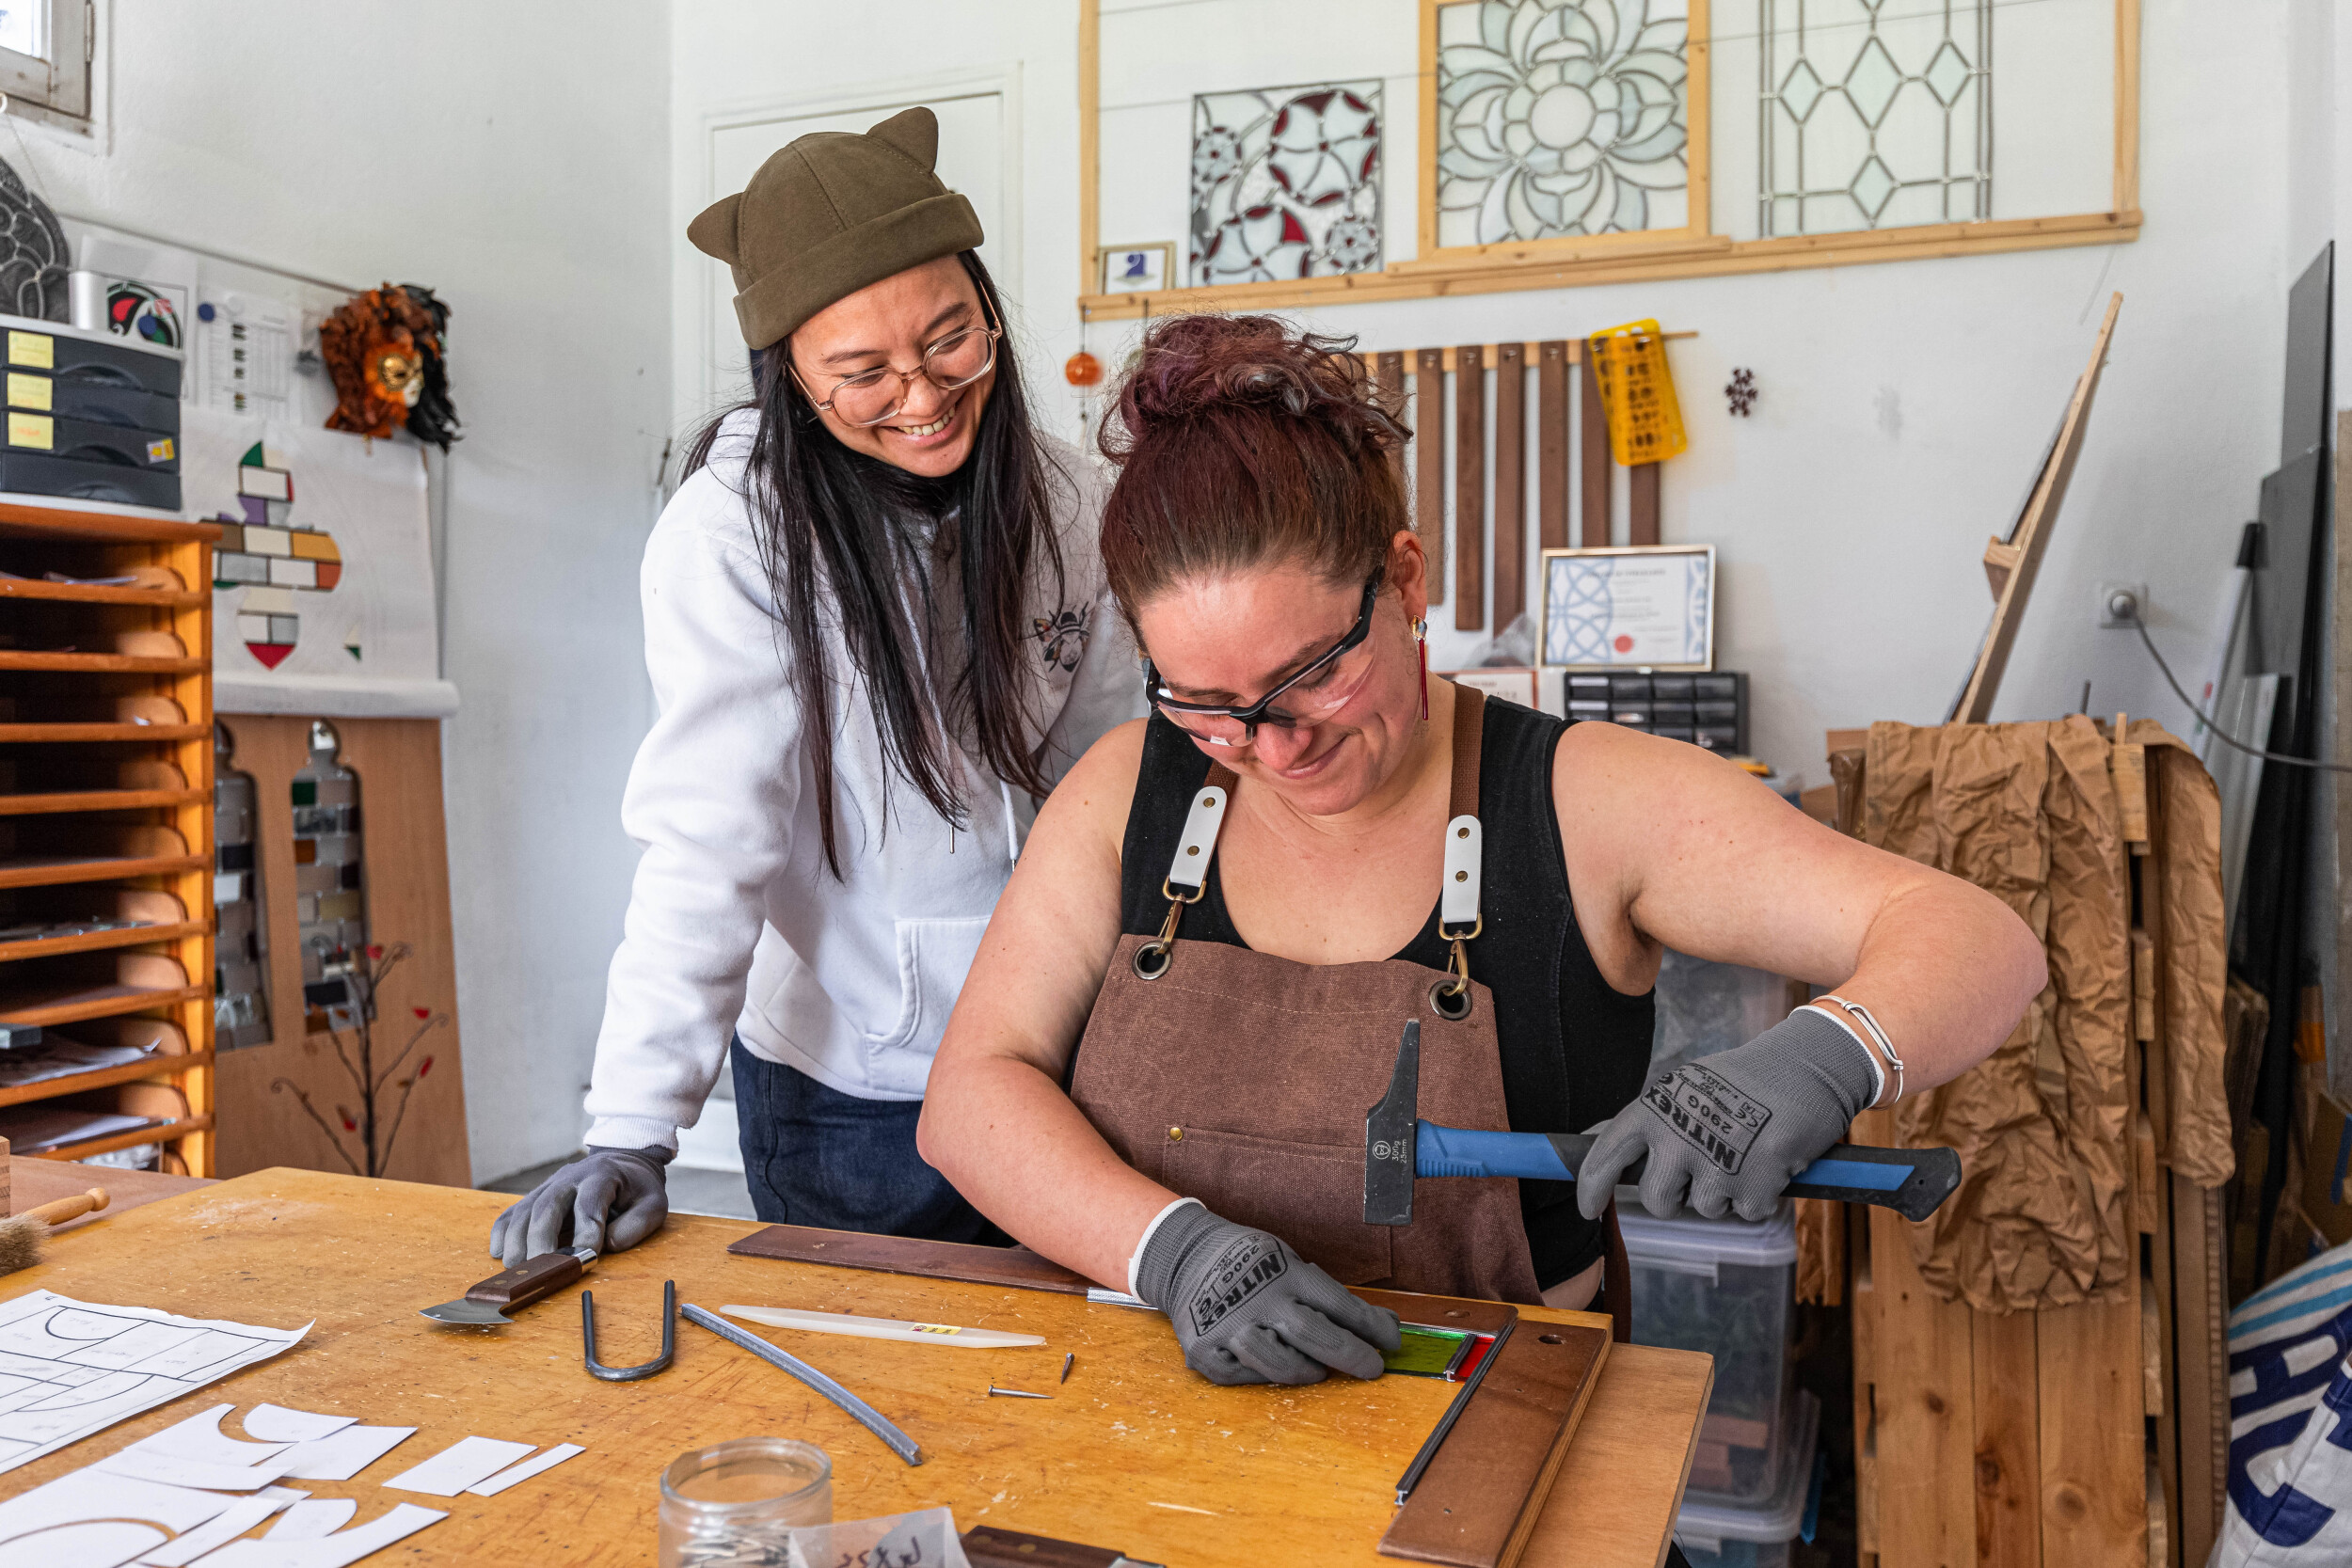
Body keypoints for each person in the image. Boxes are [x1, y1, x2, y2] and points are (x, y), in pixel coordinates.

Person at [916, 315, 2046, 1386]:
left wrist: (1822, 1053)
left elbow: (1977, 937)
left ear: (1405, 580)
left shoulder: (1578, 799)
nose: (1269, 744)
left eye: (1312, 674)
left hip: (1495, 1419)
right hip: (1154, 1405)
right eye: (1208, 702)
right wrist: (1168, 1250)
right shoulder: (1130, 786)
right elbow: (973, 1094)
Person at [489, 107, 1139, 1268]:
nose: (925, 394)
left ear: (988, 311)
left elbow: (1107, 773)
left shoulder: (1064, 500)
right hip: (855, 1090)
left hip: (1053, 1055)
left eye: (951, 340)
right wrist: (632, 1128)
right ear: (787, 372)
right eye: (862, 373)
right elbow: (707, 837)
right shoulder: (737, 533)